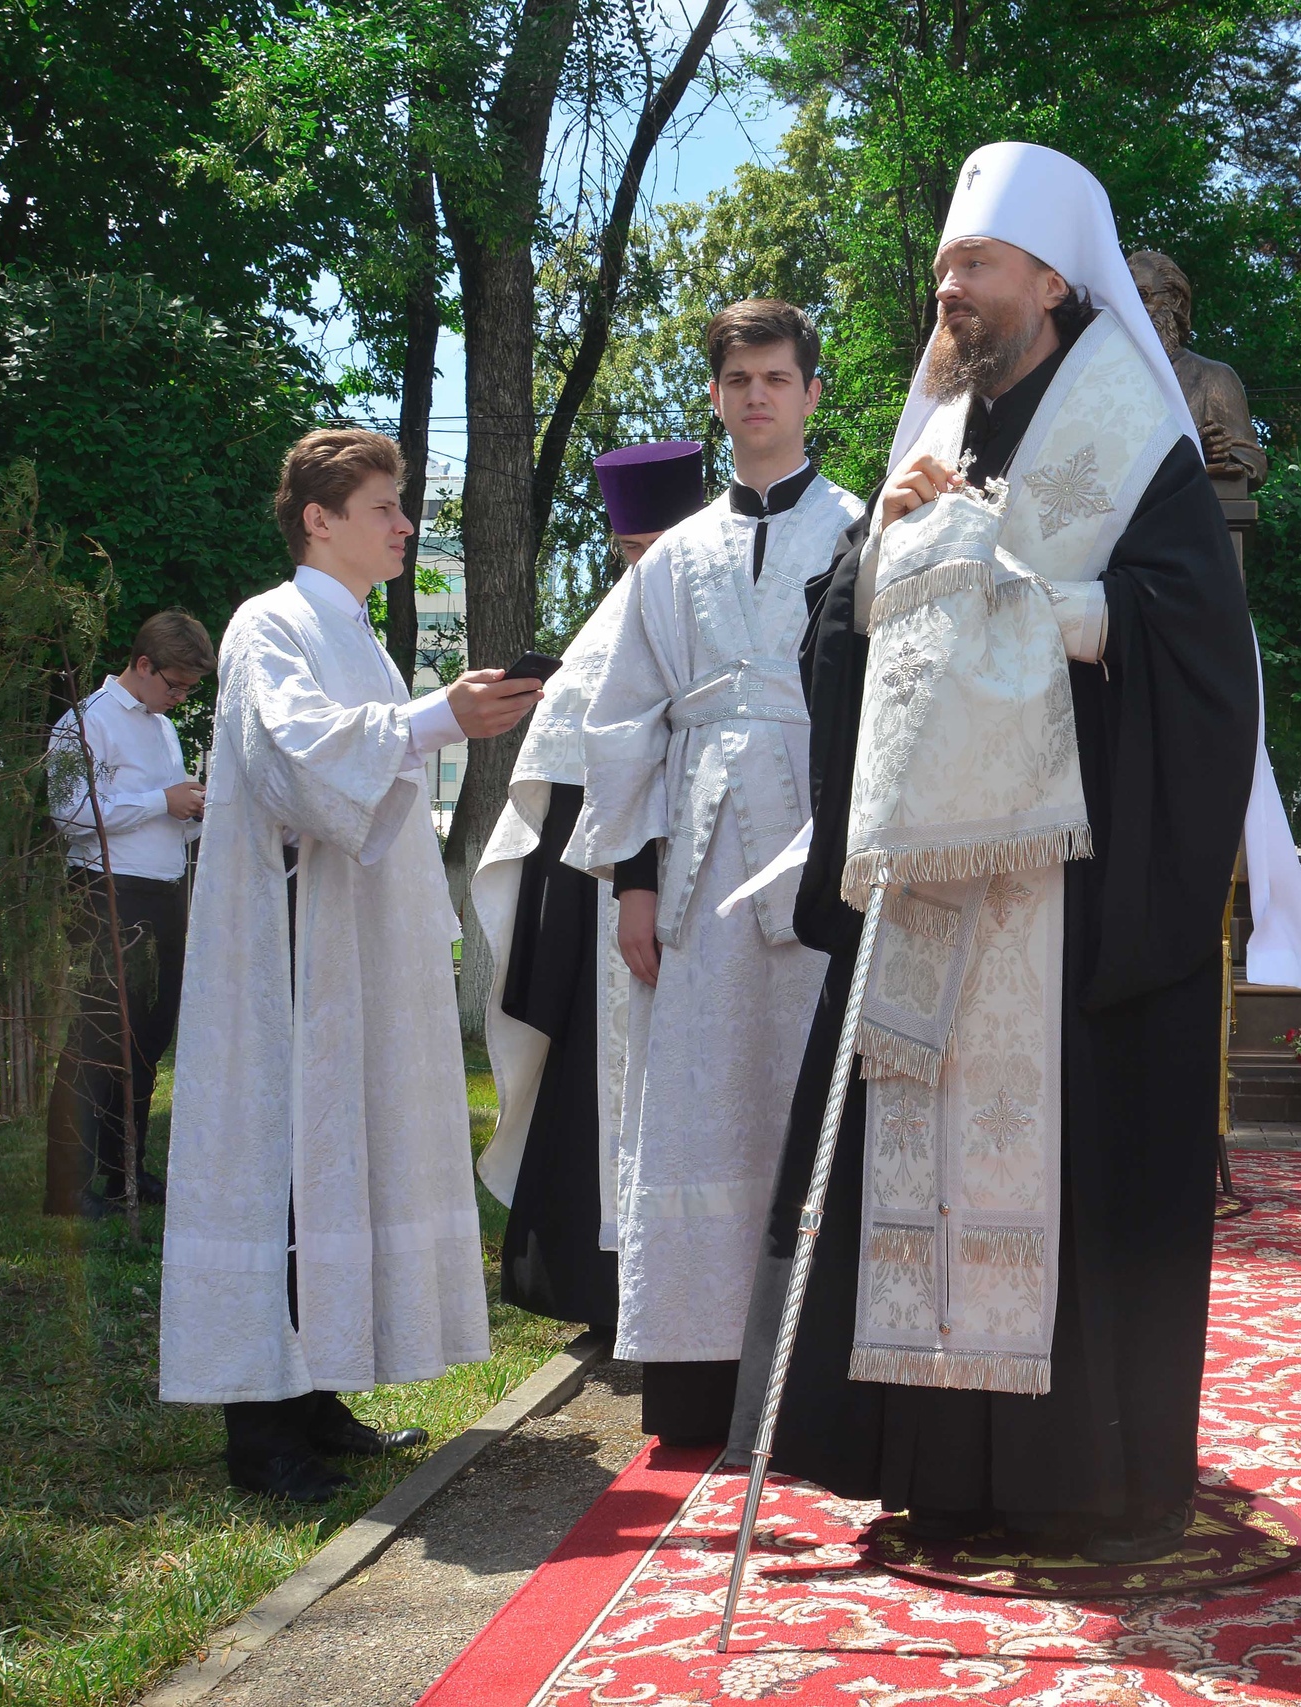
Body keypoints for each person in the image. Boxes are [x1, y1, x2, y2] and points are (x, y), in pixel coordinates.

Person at [729, 140, 1301, 1565]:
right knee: (914, 1167)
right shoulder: (939, 429)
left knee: (1064, 1169)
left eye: (975, 267)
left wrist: (1028, 602)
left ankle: (1077, 1479)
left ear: (1052, 278)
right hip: (939, 879)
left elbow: (1192, 643)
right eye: (944, 268)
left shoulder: (1140, 436)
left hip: (1076, 881)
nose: (952, 291)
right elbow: (845, 616)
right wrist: (886, 570)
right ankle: (938, 1467)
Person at [159, 427, 542, 1502]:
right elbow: (301, 767)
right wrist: (435, 720)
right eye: (384, 506)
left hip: (353, 945)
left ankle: (319, 1387)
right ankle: (262, 1430)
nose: (405, 524)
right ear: (318, 520)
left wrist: (432, 719)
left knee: (339, 1156)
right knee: (286, 1160)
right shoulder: (267, 624)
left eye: (402, 506)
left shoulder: (362, 640)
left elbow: (363, 764)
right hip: (290, 946)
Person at [567, 305, 863, 1447]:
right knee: (695, 1103)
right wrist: (633, 882)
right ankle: (694, 1382)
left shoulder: (859, 532)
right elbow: (622, 721)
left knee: (805, 1092)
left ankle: (817, 1379)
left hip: (816, 848)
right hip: (690, 862)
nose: (756, 398)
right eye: (737, 379)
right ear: (715, 396)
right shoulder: (676, 555)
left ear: (810, 394)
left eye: (777, 378)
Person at [472, 442, 708, 1339]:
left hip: (679, 879)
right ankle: (620, 1288)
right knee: (619, 1081)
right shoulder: (619, 624)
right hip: (622, 894)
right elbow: (569, 789)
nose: (647, 564)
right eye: (639, 550)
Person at [44, 610, 213, 1219]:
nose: (179, 697)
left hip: (165, 891)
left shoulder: (163, 729)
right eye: (174, 685)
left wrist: (189, 814)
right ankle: (68, 1186)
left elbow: (156, 819)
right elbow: (69, 815)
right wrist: (158, 801)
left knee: (147, 1039)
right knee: (98, 1040)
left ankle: (125, 1174)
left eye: (188, 688)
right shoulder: (88, 722)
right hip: (108, 894)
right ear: (142, 664)